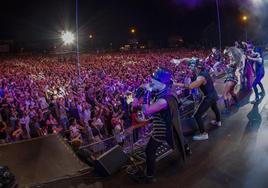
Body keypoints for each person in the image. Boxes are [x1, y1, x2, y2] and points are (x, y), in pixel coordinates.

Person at [130, 67, 188, 183]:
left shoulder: (163, 101)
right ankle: (186, 149)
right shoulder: (167, 87)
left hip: (162, 129)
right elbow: (144, 86)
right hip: (167, 121)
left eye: (153, 80)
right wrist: (137, 95)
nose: (150, 82)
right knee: (178, 136)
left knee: (149, 151)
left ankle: (149, 176)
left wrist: (147, 94)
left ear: (160, 82)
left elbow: (147, 111)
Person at [176, 60, 221, 141]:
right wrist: (181, 60)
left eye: (191, 67)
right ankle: (218, 122)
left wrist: (177, 84)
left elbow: (190, 86)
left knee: (197, 115)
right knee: (214, 108)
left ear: (197, 68)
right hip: (213, 94)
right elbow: (190, 59)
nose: (190, 68)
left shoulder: (201, 77)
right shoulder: (204, 71)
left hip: (209, 97)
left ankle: (203, 134)